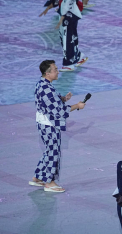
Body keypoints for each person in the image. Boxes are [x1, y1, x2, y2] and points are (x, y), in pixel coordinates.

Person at [29, 60, 86, 192]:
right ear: (47, 73)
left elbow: (50, 101)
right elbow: (60, 112)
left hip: (44, 123)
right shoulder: (47, 88)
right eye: (55, 69)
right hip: (49, 125)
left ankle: (38, 177)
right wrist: (77, 106)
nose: (57, 71)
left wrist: (63, 99)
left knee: (49, 151)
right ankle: (50, 183)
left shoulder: (42, 83)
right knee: (53, 152)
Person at [39, 0, 88, 72]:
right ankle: (78, 56)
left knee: (67, 39)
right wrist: (50, 5)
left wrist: (62, 17)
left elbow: (68, 4)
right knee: (69, 37)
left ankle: (69, 64)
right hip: (70, 16)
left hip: (69, 17)